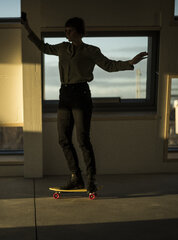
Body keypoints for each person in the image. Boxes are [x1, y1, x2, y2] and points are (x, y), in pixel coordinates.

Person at [21, 15, 147, 193]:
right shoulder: (62, 48)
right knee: (63, 138)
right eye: (65, 31)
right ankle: (75, 178)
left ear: (80, 32)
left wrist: (130, 63)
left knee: (83, 140)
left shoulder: (91, 50)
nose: (66, 34)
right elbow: (43, 47)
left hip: (81, 95)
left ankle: (91, 180)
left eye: (69, 31)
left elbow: (109, 66)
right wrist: (27, 28)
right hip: (64, 94)